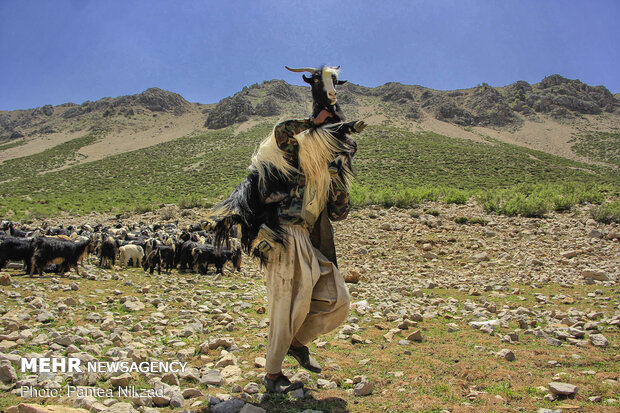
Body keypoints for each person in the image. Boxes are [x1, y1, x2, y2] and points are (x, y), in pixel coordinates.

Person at [261, 109, 358, 393]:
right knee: (286, 307)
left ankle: (296, 342)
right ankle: (273, 375)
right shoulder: (295, 158)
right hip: (283, 235)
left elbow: (339, 213)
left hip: (305, 239)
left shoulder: (329, 172)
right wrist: (312, 123)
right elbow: (281, 131)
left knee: (337, 298)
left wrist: (339, 178)